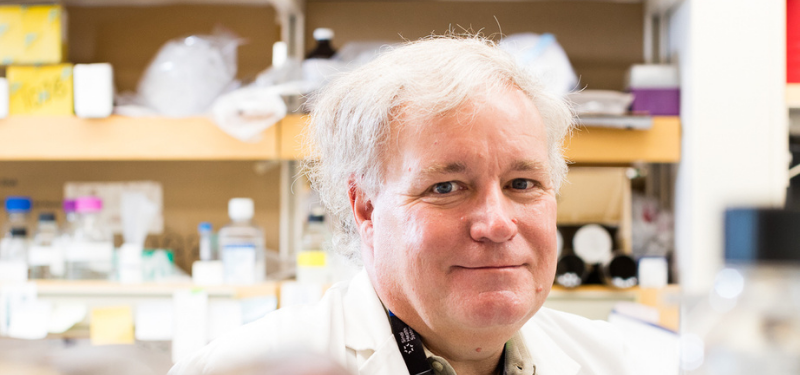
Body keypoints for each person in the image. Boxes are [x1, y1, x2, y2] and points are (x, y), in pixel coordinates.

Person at [170, 36, 633, 375]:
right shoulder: (240, 367)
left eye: (522, 183)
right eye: (447, 187)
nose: (496, 223)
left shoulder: (609, 361)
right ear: (366, 208)